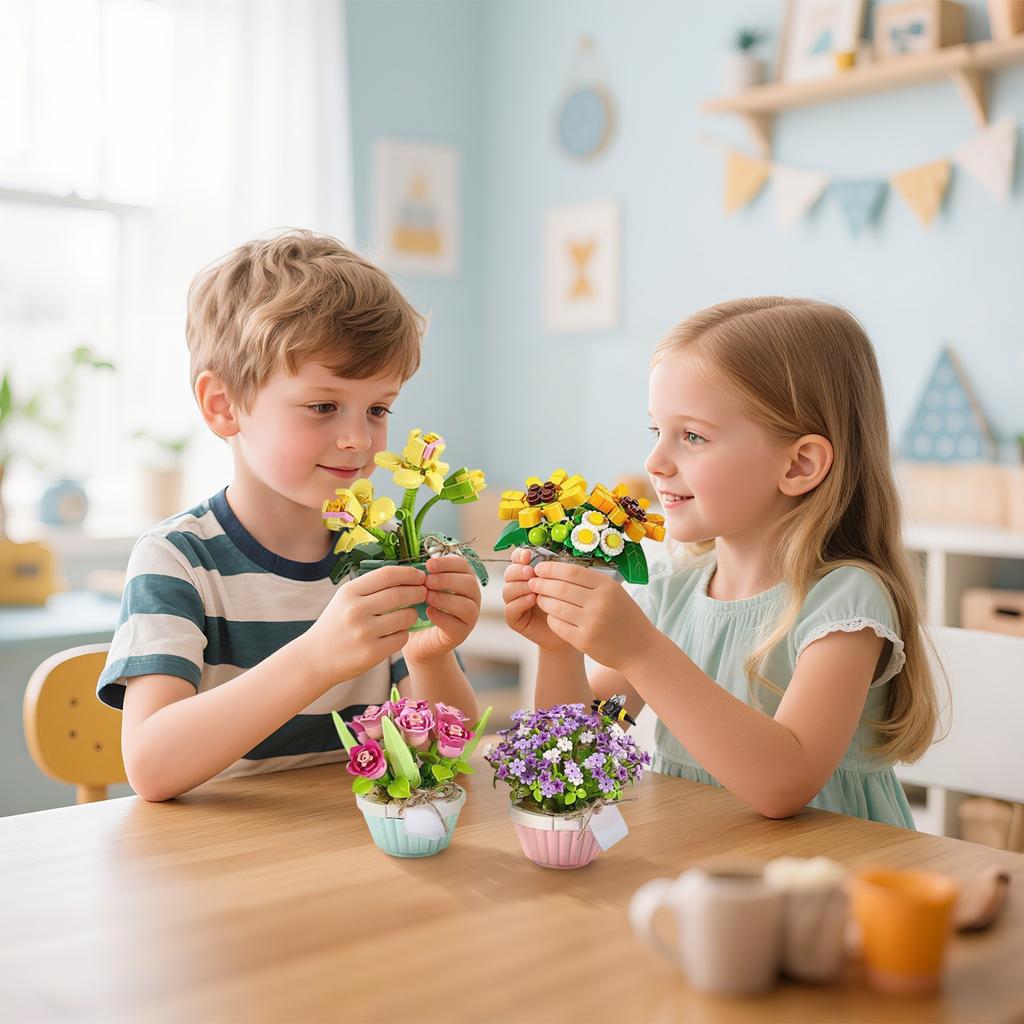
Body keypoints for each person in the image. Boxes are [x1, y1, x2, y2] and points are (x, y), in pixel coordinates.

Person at [503, 297, 940, 827]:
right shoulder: (671, 591)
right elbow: (575, 752)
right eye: (656, 432)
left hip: (829, 869)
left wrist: (641, 651)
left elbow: (783, 784)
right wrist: (560, 650)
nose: (654, 462)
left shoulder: (845, 603)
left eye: (692, 436)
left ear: (799, 464)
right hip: (699, 861)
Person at [98, 230, 481, 801]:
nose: (358, 439)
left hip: (350, 845)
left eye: (378, 409)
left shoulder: (382, 552)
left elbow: (452, 757)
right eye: (323, 406)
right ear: (223, 406)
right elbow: (150, 768)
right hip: (214, 850)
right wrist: (317, 658)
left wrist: (430, 657)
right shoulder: (178, 561)